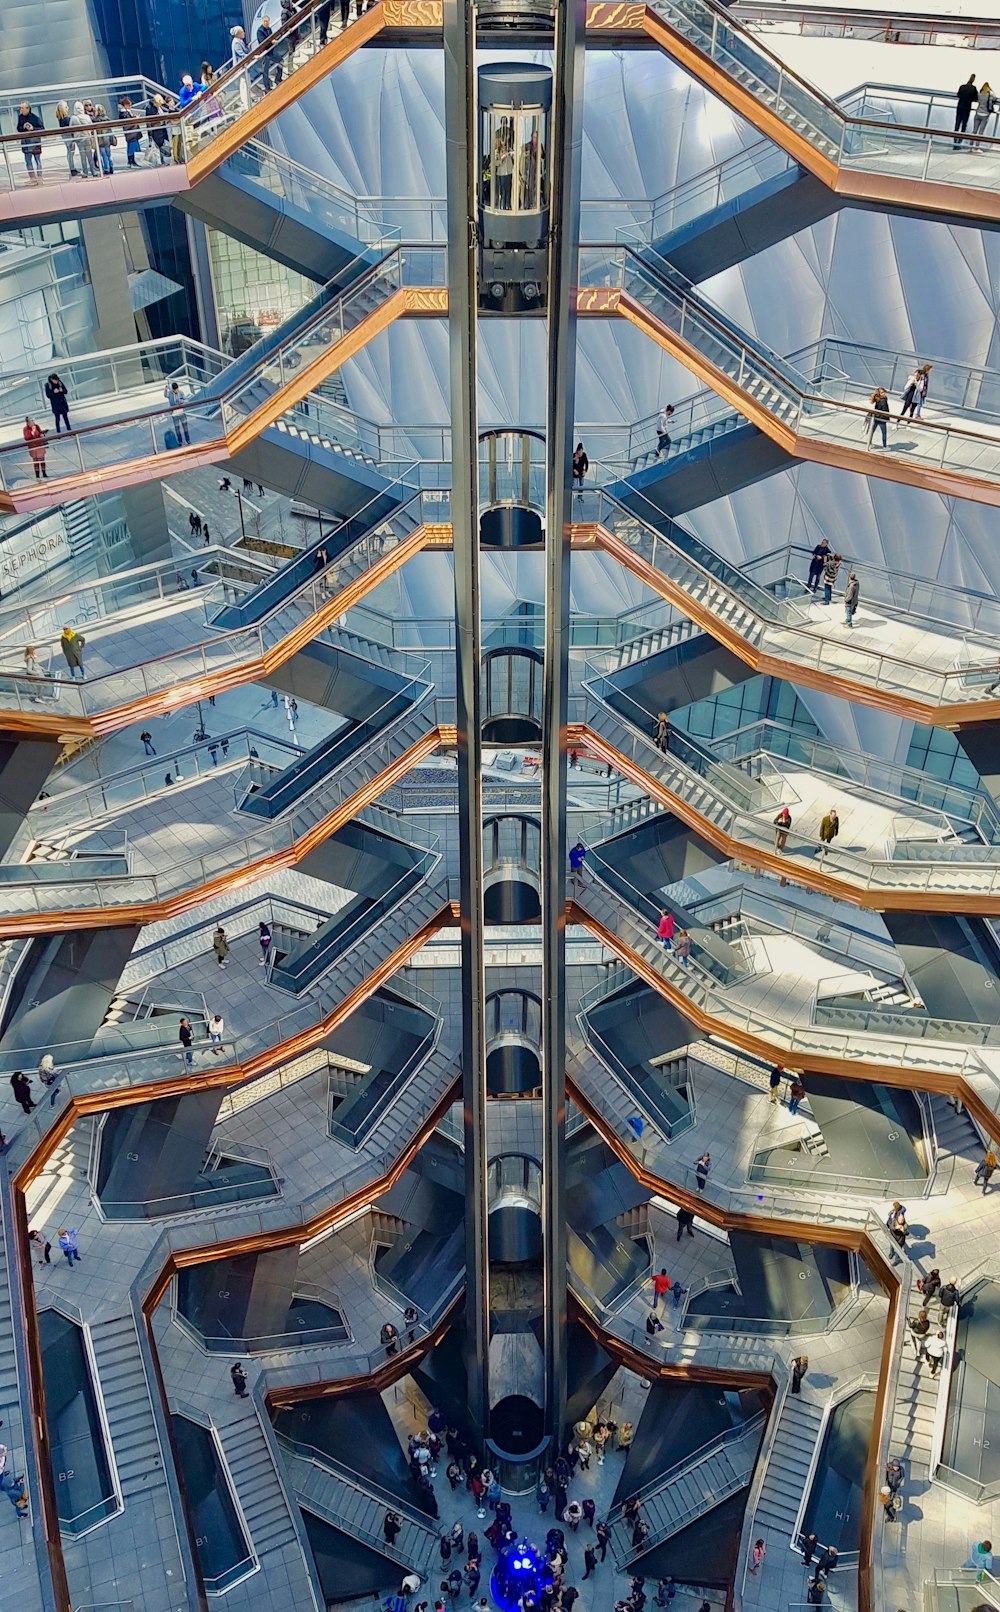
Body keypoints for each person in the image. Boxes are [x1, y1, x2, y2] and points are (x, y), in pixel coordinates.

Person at [16, 104, 43, 182]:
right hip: (26, 143)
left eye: (22, 108)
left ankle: (39, 177)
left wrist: (33, 128)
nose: (21, 110)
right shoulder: (20, 117)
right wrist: (24, 127)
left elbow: (41, 128)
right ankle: (32, 178)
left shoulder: (35, 118)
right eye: (20, 108)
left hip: (35, 142)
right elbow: (18, 128)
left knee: (37, 160)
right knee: (28, 161)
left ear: (28, 109)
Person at [164, 380, 191, 446]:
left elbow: (187, 399)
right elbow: (165, 395)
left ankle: (188, 440)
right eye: (175, 390)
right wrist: (165, 389)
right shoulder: (170, 393)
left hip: (181, 411)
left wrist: (183, 401)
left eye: (177, 389)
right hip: (174, 413)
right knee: (177, 427)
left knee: (185, 426)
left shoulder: (181, 392)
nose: (177, 391)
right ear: (173, 389)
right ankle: (180, 441)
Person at [955, 74, 978, 146]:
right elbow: (975, 98)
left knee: (957, 124)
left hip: (960, 106)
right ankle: (959, 142)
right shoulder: (973, 89)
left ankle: (955, 142)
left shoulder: (962, 87)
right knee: (964, 125)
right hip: (967, 108)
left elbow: (958, 95)